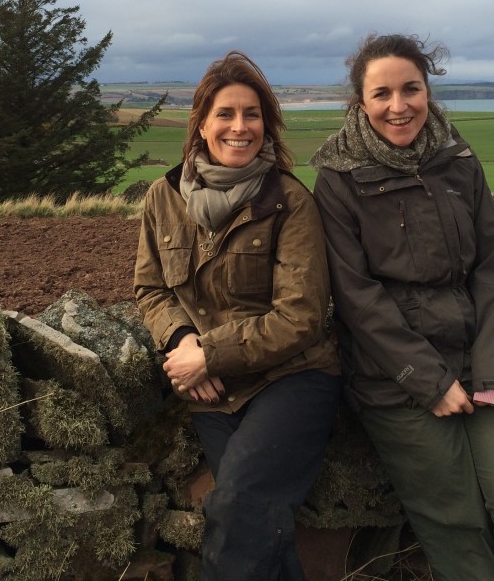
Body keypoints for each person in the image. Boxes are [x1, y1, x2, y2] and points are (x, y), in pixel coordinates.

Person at [310, 33, 494, 581]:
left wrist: (492, 369)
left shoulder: (456, 158)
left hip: (481, 362)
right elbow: (357, 296)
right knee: (454, 523)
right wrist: (429, 381)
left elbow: (492, 264)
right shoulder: (338, 180)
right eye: (382, 93)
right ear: (360, 102)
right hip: (396, 380)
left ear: (428, 91)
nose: (398, 105)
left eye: (411, 88)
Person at [134, 50, 341, 581]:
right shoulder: (164, 197)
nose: (239, 126)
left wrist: (209, 353)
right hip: (215, 391)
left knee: (235, 510)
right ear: (202, 124)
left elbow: (301, 316)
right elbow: (151, 288)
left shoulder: (290, 202)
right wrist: (181, 341)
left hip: (293, 379)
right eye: (225, 113)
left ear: (267, 126)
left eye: (252, 114)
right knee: (261, 528)